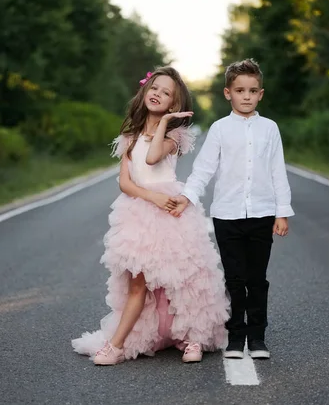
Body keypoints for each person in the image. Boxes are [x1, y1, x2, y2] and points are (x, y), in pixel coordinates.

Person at [72, 66, 229, 365]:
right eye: (154, 87)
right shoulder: (129, 136)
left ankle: (192, 338)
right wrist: (152, 196)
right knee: (138, 284)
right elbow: (125, 182)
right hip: (139, 215)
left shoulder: (175, 135)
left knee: (184, 280)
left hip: (171, 214)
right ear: (145, 91)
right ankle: (116, 345)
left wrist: (165, 123)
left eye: (166, 93)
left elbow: (153, 157)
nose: (157, 94)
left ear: (174, 104)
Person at [171, 59, 294, 359]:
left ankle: (258, 338)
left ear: (261, 94)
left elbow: (278, 170)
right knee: (235, 279)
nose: (247, 96)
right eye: (240, 90)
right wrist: (187, 195)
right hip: (227, 216)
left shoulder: (270, 129)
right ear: (228, 93)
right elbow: (203, 169)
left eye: (253, 91)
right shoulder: (220, 129)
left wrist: (282, 211)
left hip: (263, 215)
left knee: (257, 279)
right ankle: (236, 337)